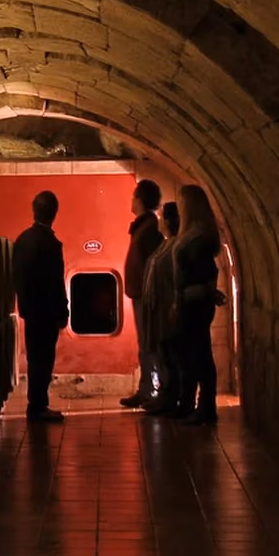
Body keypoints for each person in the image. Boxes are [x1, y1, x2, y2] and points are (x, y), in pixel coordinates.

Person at [12, 190, 69, 423]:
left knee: (35, 358)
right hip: (47, 312)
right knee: (44, 359)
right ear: (54, 213)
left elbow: (17, 277)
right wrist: (63, 310)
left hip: (30, 310)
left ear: (34, 210)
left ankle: (35, 405)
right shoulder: (51, 243)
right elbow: (56, 281)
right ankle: (38, 406)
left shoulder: (22, 240)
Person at [173, 185, 222, 425]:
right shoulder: (198, 234)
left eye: (182, 202)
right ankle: (201, 404)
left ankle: (206, 405)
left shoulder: (198, 237)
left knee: (200, 352)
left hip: (194, 302)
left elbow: (205, 270)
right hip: (192, 300)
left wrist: (199, 291)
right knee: (197, 352)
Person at [121, 179, 164, 409]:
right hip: (141, 294)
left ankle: (152, 391)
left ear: (140, 199)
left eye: (134, 196)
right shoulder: (143, 227)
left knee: (149, 343)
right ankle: (146, 388)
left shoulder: (149, 229)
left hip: (146, 296)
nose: (131, 200)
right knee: (145, 343)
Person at [141, 202, 181, 417]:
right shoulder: (167, 245)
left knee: (171, 355)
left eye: (162, 216)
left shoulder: (174, 246)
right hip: (159, 307)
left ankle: (172, 398)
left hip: (167, 307)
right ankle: (165, 396)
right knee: (164, 352)